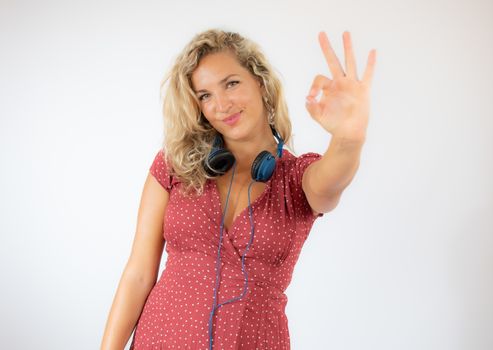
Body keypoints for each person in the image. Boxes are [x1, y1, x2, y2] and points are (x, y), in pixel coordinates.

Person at [100, 28, 376, 350]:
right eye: (205, 95)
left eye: (231, 83)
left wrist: (349, 137)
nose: (221, 104)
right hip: (160, 339)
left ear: (260, 81)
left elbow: (332, 181)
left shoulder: (296, 179)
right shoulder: (174, 165)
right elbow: (138, 274)